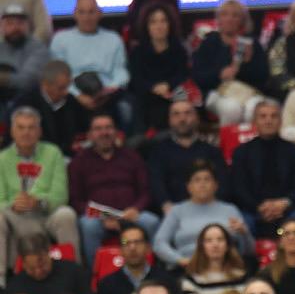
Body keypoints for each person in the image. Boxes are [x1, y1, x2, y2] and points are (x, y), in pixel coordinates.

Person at [0, 107, 80, 278]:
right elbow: (0, 199)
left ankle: (74, 273)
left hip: (46, 213)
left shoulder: (53, 153)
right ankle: (1, 279)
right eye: (21, 128)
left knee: (67, 214)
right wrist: (14, 205)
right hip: (16, 216)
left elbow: (60, 195)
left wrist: (39, 202)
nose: (26, 133)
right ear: (12, 131)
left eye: (31, 127)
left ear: (39, 131)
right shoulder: (2, 158)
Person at [70, 113, 157, 258]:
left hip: (131, 213)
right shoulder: (79, 162)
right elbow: (76, 200)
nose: (104, 133)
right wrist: (104, 215)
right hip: (99, 218)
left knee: (152, 222)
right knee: (88, 226)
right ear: (90, 135)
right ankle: (96, 276)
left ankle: (154, 272)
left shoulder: (132, 156)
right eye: (98, 129)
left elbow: (145, 191)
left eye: (108, 128)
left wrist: (136, 209)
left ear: (116, 132)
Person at [230, 101, 295, 239]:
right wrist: (260, 207)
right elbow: (238, 189)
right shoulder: (241, 153)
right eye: (263, 116)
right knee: (241, 226)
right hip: (253, 211)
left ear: (280, 121)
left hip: (287, 211)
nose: (269, 121)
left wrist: (283, 204)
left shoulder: (293, 151)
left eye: (274, 116)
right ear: (255, 121)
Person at [52, 0, 131, 132]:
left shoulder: (113, 39)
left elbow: (120, 71)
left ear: (99, 13)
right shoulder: (60, 40)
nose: (87, 17)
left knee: (127, 106)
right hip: (73, 93)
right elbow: (58, 74)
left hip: (107, 93)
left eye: (91, 12)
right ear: (74, 14)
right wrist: (78, 95)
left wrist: (108, 90)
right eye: (82, 12)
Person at [152, 162, 249, 266]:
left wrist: (244, 234)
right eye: (197, 180)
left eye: (207, 179)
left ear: (216, 185)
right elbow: (159, 243)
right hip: (186, 267)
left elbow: (248, 250)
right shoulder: (177, 211)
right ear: (188, 187)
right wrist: (180, 260)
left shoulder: (230, 210)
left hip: (225, 267)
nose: (202, 184)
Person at [143, 100, 228, 216]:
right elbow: (156, 183)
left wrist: (212, 206)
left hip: (208, 209)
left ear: (197, 118)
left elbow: (222, 183)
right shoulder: (158, 152)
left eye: (187, 113)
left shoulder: (212, 151)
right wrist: (165, 205)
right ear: (169, 120)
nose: (182, 119)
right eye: (176, 114)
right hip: (171, 212)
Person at [92, 225, 178, 294]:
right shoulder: (107, 284)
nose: (132, 247)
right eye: (126, 243)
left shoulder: (166, 281)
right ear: (120, 250)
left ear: (148, 247)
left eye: (137, 242)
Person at [193, 1, 269, 127]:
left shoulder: (251, 44)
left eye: (235, 15)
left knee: (255, 108)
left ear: (242, 20)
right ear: (218, 19)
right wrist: (219, 75)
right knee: (232, 109)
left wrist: (245, 65)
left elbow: (263, 76)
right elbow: (198, 76)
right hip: (216, 92)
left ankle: (250, 144)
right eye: (225, 14)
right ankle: (230, 144)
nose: (229, 19)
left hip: (248, 92)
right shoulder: (208, 43)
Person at [4, 235, 91, 294]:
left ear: (49, 253)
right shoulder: (14, 286)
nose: (38, 271)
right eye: (32, 268)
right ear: (23, 263)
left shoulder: (74, 273)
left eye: (42, 265)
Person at [127, 5, 188, 136]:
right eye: (153, 22)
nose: (159, 26)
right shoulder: (137, 52)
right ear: (147, 26)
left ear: (169, 24)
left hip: (172, 94)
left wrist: (167, 85)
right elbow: (136, 80)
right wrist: (154, 88)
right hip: (146, 96)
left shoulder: (179, 50)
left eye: (163, 21)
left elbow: (183, 75)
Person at [179, 224, 248, 294]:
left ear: (227, 245)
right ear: (202, 246)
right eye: (209, 240)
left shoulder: (241, 277)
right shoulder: (192, 281)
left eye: (220, 239)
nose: (215, 245)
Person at [0, 5, 49, 101]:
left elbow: (28, 81)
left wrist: (3, 78)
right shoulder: (1, 48)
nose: (15, 27)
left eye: (20, 23)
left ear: (28, 26)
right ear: (2, 27)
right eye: (10, 23)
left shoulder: (37, 48)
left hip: (28, 101)